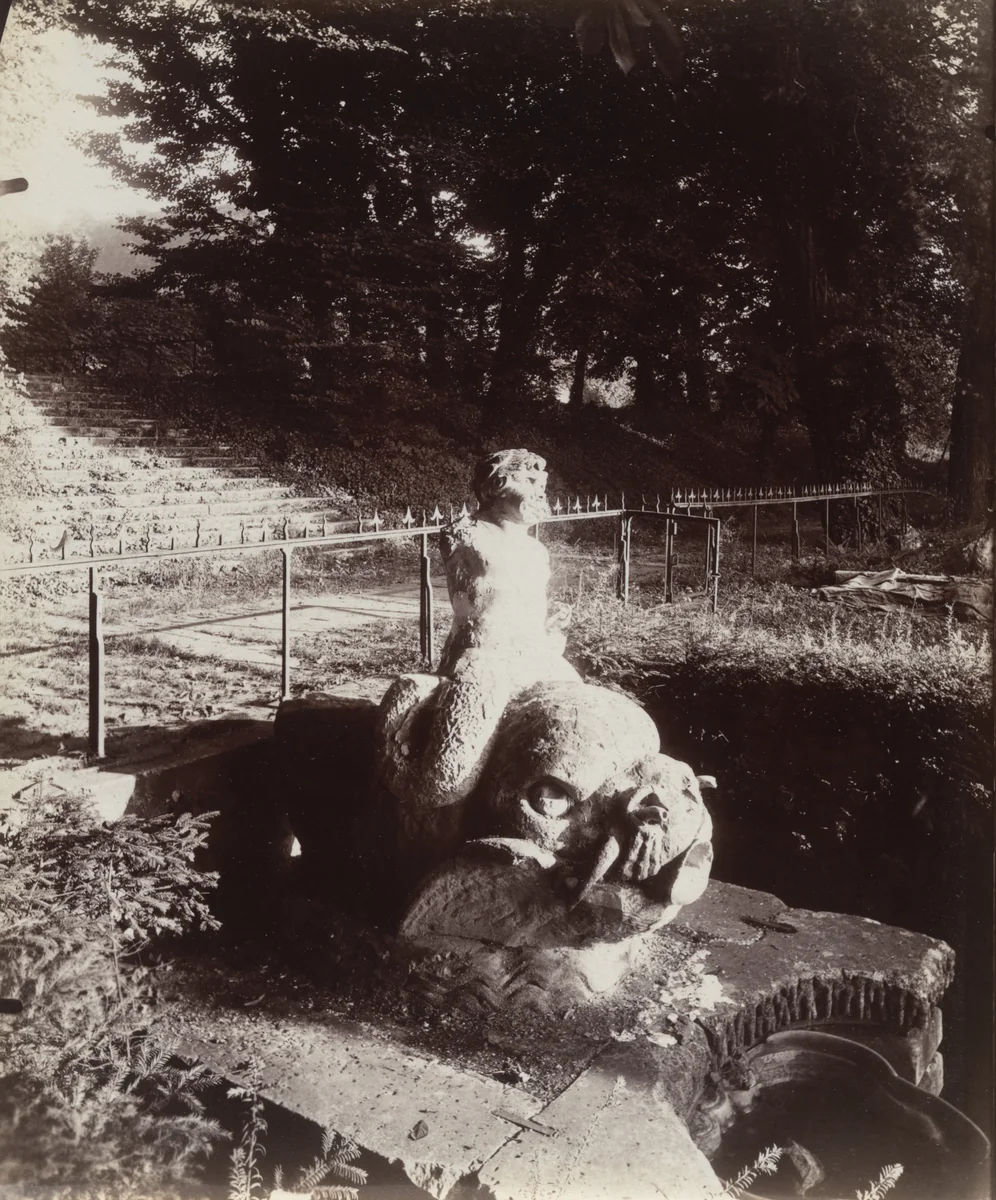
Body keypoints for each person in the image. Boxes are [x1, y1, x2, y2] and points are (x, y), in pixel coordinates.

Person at [377, 449, 579, 817]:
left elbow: (529, 605)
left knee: (577, 712)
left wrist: (551, 630)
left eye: (543, 486)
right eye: (531, 482)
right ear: (495, 486)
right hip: (484, 657)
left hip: (534, 654)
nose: (540, 493)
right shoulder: (465, 534)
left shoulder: (537, 550)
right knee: (451, 769)